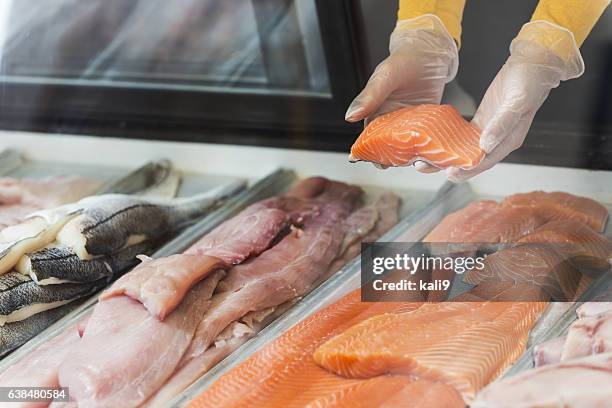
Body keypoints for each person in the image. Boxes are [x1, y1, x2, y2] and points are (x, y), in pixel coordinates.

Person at [345, 0, 610, 182]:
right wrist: (426, 29)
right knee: (499, 126)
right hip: (483, 23)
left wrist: (548, 48)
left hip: (588, 34)